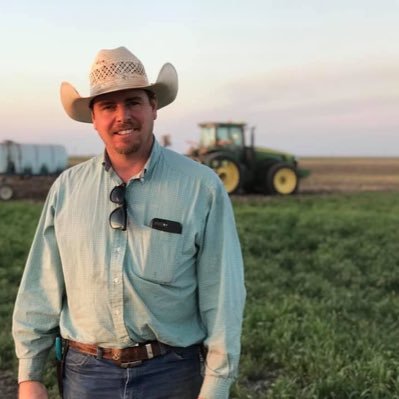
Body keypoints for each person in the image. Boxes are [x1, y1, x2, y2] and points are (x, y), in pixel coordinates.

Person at [12, 46, 246, 399]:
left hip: (172, 371)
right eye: (108, 106)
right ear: (93, 117)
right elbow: (40, 284)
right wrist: (29, 376)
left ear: (153, 107)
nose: (122, 115)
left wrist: (216, 384)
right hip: (85, 373)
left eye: (133, 102)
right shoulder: (67, 188)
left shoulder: (201, 186)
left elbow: (223, 293)